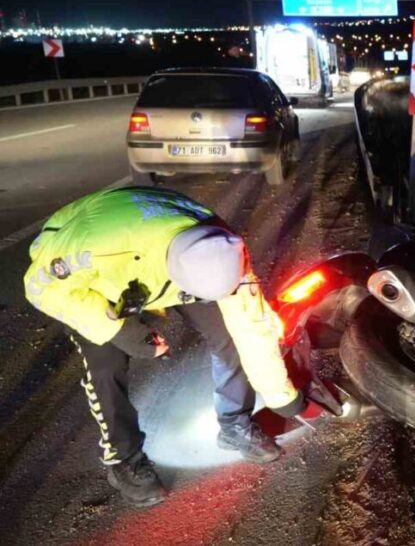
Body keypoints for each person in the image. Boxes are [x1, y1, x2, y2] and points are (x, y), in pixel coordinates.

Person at [23, 187, 313, 507]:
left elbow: (251, 327)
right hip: (93, 272)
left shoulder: (226, 249)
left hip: (164, 250)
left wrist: (281, 396)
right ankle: (123, 459)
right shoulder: (92, 247)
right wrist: (118, 328)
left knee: (230, 332)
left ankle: (235, 424)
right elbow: (40, 288)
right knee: (105, 366)